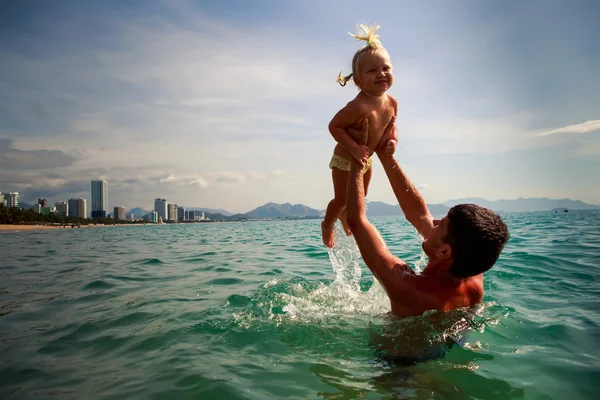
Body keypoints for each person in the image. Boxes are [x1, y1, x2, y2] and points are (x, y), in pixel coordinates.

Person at [345, 118, 510, 318]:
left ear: (443, 251)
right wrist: (385, 155)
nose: (435, 223)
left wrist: (357, 156)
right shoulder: (473, 275)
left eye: (443, 224)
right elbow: (420, 215)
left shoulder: (412, 290)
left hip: (401, 351)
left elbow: (357, 220)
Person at [321, 24, 398, 248]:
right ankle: (328, 222)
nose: (381, 74)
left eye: (385, 68)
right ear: (358, 81)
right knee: (342, 199)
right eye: (372, 71)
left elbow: (392, 125)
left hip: (366, 158)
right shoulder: (358, 105)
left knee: (360, 198)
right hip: (346, 159)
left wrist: (393, 140)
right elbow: (334, 126)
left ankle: (346, 216)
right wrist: (354, 148)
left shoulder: (392, 102)